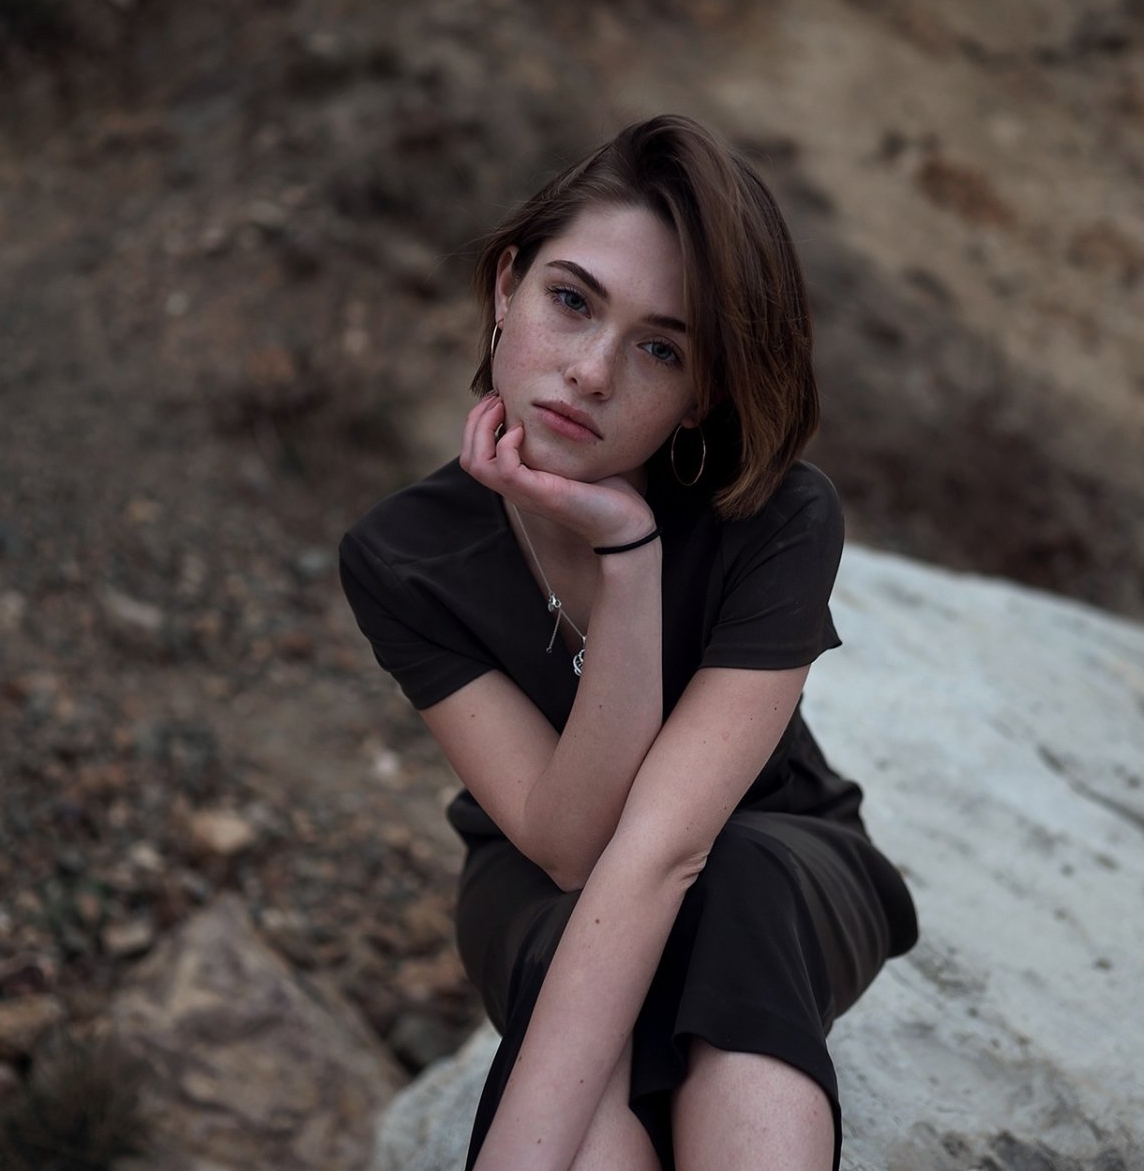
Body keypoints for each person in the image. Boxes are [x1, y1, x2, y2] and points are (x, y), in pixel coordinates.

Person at [338, 113, 918, 1171]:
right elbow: (570, 841)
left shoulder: (780, 519)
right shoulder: (402, 555)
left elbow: (667, 849)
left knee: (731, 889)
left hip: (779, 852)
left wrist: (634, 555)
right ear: (506, 284)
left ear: (703, 392)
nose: (593, 371)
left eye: (659, 347)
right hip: (538, 876)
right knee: (575, 933)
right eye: (572, 301)